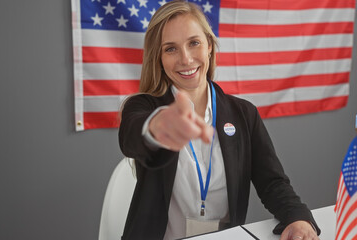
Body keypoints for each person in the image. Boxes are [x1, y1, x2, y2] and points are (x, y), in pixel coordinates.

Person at [119, 1, 321, 239]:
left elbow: (273, 183)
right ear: (159, 58)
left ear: (209, 47)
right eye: (170, 49)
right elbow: (131, 138)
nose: (185, 59)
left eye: (194, 43)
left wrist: (298, 217)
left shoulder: (244, 114)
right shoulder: (143, 107)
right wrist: (156, 127)